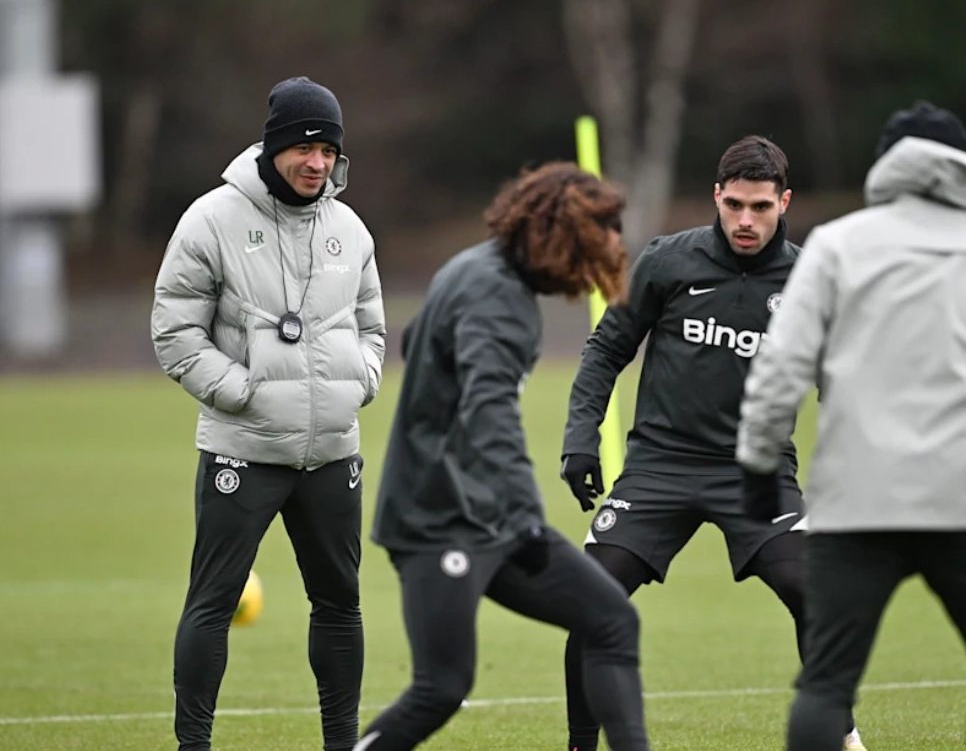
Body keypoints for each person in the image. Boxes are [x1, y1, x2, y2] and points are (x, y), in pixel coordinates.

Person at [560, 135, 865, 751]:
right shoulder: (667, 261)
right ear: (716, 198)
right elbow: (605, 350)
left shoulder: (812, 278)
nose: (745, 221)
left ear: (784, 201)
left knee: (812, 592)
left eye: (760, 207)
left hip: (757, 472)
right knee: (591, 602)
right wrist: (580, 438)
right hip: (659, 467)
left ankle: (842, 732)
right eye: (734, 206)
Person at [737, 101, 966, 751]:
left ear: (888, 164)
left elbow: (779, 370)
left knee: (827, 683)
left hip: (855, 507)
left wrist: (758, 478)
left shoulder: (839, 245)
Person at [354, 162, 649, 751]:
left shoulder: (474, 267)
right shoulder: (498, 299)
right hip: (438, 523)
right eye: (607, 231)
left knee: (611, 620)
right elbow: (491, 416)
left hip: (485, 515)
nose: (617, 245)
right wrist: (527, 524)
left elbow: (418, 343)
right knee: (441, 685)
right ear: (565, 235)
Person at [152, 75, 385, 751]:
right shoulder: (212, 219)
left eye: (329, 151)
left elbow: (372, 328)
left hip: (333, 451)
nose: (318, 163)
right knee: (212, 604)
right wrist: (240, 392)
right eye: (305, 147)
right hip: (242, 449)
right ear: (275, 146)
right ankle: (193, 745)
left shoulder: (349, 228)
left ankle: (341, 743)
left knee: (340, 605)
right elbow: (173, 331)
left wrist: (357, 384)